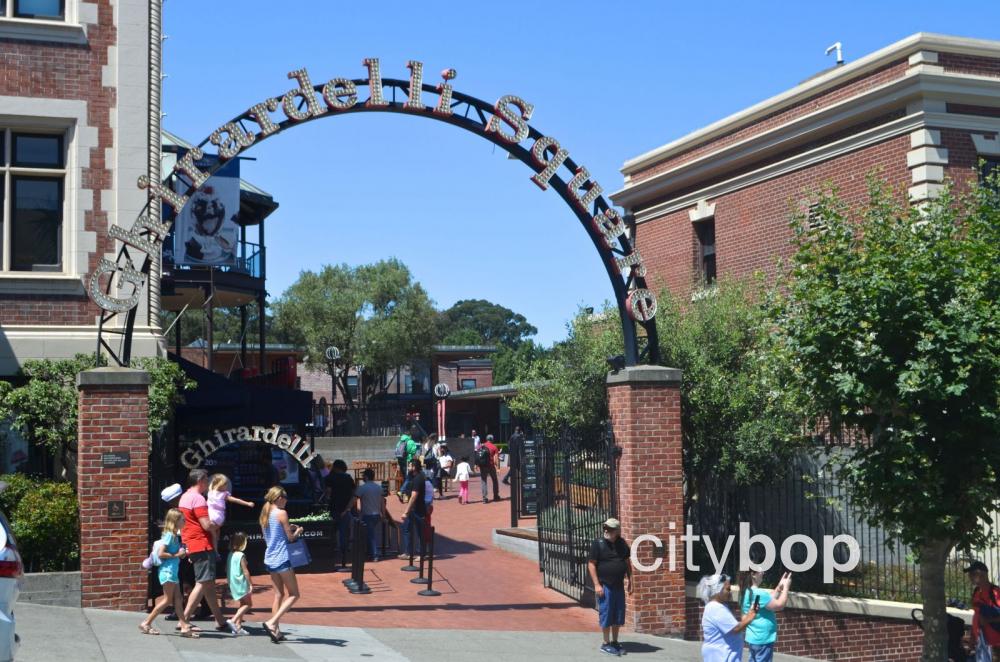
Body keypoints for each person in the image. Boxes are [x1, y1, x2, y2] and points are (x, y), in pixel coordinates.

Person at [178, 469, 231, 633]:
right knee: (202, 582)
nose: (208, 483)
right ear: (200, 480)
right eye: (206, 479)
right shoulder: (198, 498)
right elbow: (207, 525)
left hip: (191, 544)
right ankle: (184, 619)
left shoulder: (185, 497)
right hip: (202, 544)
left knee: (207, 584)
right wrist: (219, 524)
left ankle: (220, 621)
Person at [139, 509, 196, 637]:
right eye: (182, 519)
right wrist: (177, 554)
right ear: (175, 521)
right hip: (167, 572)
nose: (184, 521)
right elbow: (161, 553)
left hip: (173, 572)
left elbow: (174, 554)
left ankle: (184, 626)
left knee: (178, 598)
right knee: (167, 599)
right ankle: (146, 623)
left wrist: (180, 555)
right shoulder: (169, 535)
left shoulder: (175, 536)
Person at [260, 486, 303, 643]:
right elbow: (290, 538)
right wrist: (297, 531)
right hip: (282, 558)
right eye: (285, 498)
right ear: (278, 498)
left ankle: (275, 630)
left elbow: (273, 535)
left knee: (279, 594)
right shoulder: (281, 513)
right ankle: (271, 622)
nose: (286, 501)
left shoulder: (265, 514)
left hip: (270, 558)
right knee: (294, 594)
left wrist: (288, 529)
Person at [586, 518, 632, 656]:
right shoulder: (598, 544)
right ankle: (605, 643)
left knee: (618, 614)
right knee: (606, 613)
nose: (606, 531)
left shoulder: (622, 544)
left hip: (618, 585)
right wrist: (596, 585)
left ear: (617, 531)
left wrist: (631, 580)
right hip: (605, 585)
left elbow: (626, 562)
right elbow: (591, 564)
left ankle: (615, 642)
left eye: (610, 529)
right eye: (605, 528)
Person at [698, 573, 759, 662]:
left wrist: (750, 614)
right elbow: (736, 628)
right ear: (718, 590)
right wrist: (751, 615)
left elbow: (732, 626)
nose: (730, 591)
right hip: (721, 657)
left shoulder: (717, 606)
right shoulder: (716, 608)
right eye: (728, 589)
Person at [737, 570, 792, 662]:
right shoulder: (758, 593)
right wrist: (786, 587)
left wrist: (779, 587)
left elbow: (767, 600)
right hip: (763, 640)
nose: (763, 572)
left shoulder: (746, 591)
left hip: (753, 639)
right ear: (753, 574)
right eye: (760, 571)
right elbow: (780, 605)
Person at [207, 473, 254, 555]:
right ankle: (215, 551)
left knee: (215, 533)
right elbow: (236, 500)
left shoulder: (210, 492)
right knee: (215, 533)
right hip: (218, 517)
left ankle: (214, 549)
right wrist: (247, 503)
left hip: (210, 515)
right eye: (225, 484)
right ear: (220, 484)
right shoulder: (223, 494)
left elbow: (211, 486)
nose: (226, 486)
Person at [323, 459, 356, 561]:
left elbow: (328, 492)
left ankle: (332, 549)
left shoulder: (329, 478)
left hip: (333, 507)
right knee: (344, 531)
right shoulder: (348, 478)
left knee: (332, 530)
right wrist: (349, 507)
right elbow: (353, 493)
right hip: (345, 508)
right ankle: (344, 551)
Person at [967, 560, 1000, 660]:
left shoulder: (996, 593)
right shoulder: (976, 592)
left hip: (997, 646)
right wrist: (972, 637)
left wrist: (988, 620)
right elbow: (976, 616)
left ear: (982, 574)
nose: (970, 577)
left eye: (972, 574)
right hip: (983, 644)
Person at [355, 468, 387, 562]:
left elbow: (354, 499)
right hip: (376, 514)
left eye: (363, 476)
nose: (362, 477)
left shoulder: (362, 488)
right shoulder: (379, 487)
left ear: (366, 477)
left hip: (367, 514)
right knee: (370, 534)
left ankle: (374, 554)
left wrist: (347, 509)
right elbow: (382, 503)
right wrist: (383, 515)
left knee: (370, 535)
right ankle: (371, 553)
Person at [399, 460, 429, 559]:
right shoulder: (413, 477)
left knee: (420, 532)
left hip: (418, 509)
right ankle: (408, 552)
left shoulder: (419, 478)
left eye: (410, 466)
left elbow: (414, 496)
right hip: (412, 509)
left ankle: (422, 554)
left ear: (414, 467)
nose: (408, 468)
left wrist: (406, 511)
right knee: (406, 529)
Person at [226, 531, 253, 636]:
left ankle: (238, 627)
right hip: (241, 583)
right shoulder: (241, 555)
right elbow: (245, 571)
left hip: (233, 583)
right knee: (248, 604)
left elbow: (227, 569)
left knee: (242, 603)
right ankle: (233, 620)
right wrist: (250, 584)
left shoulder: (230, 554)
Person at [395, 427, 421, 501]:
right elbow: (414, 452)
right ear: (409, 435)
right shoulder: (410, 441)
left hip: (401, 462)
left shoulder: (399, 442)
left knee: (406, 478)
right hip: (408, 461)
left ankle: (406, 496)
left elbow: (396, 452)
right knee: (409, 478)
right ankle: (402, 492)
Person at [477, 434, 500, 503]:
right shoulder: (494, 447)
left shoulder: (481, 446)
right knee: (495, 480)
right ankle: (495, 496)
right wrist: (498, 468)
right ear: (492, 439)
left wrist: (477, 465)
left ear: (486, 439)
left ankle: (485, 498)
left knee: (484, 481)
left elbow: (478, 455)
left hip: (483, 466)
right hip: (491, 465)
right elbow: (496, 459)